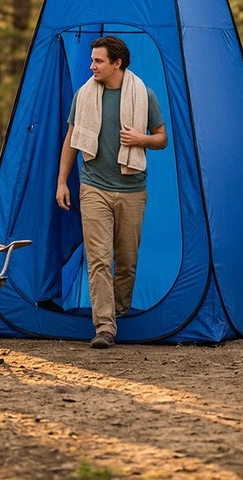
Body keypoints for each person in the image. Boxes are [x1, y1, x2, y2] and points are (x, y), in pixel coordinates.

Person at [56, 36, 167, 349]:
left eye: (98, 61)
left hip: (132, 189)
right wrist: (63, 181)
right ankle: (104, 327)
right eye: (92, 60)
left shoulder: (144, 95)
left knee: (127, 261)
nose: (92, 66)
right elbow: (71, 138)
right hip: (93, 188)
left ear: (117, 63)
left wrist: (140, 139)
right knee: (99, 260)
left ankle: (118, 311)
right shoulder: (84, 95)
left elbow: (162, 138)